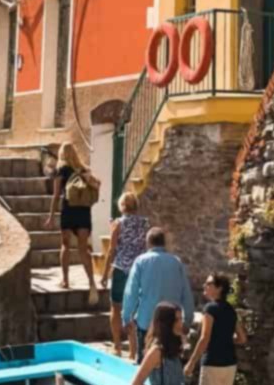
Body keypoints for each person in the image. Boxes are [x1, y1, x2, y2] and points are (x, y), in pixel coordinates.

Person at [121, 229, 195, 360]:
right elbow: (186, 293)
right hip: (172, 322)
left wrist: (127, 317)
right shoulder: (176, 262)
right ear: (164, 243)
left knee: (145, 363)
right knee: (171, 362)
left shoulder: (141, 261)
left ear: (148, 242)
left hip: (146, 321)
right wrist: (187, 321)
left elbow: (131, 291)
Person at [46, 142, 99, 299]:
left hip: (68, 210)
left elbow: (56, 196)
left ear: (62, 154)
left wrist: (51, 216)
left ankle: (66, 280)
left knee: (65, 245)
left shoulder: (61, 170)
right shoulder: (83, 170)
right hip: (83, 212)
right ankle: (91, 283)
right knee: (83, 249)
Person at [105, 191, 150, 355]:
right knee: (133, 309)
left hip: (121, 269)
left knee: (116, 307)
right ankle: (133, 350)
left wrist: (104, 274)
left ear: (122, 206)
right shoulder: (145, 224)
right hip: (138, 270)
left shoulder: (118, 223)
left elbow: (112, 250)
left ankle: (117, 346)